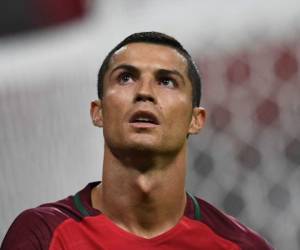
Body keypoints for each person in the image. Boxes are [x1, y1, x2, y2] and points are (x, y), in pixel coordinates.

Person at [1, 31, 273, 250]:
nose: (144, 92)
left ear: (196, 119)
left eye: (166, 81)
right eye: (126, 78)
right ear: (99, 112)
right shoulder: (42, 235)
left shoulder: (241, 245)